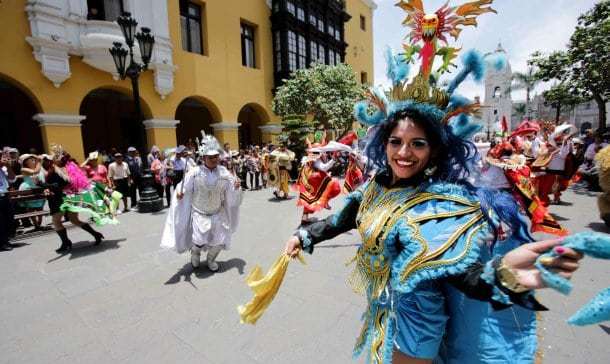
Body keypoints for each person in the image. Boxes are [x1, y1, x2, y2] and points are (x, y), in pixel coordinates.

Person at [283, 20, 583, 361]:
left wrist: (503, 275)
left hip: (415, 323)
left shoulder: (439, 204)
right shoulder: (374, 188)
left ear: (433, 151)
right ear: (384, 143)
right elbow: (342, 219)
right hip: (380, 310)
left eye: (417, 144)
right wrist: (303, 236)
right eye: (396, 141)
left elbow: (460, 274)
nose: (404, 152)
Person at [161, 135, 242, 271]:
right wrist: (181, 194)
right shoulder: (194, 172)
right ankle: (195, 253)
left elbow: (231, 189)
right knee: (198, 240)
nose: (215, 159)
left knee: (220, 240)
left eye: (216, 156)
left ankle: (211, 259)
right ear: (203, 157)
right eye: (211, 157)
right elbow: (184, 188)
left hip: (218, 213)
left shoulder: (224, 172)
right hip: (200, 213)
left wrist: (236, 186)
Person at [42, 147, 110, 254]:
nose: (52, 158)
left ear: (59, 158)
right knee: (74, 219)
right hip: (67, 197)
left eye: (54, 156)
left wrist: (47, 181)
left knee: (56, 221)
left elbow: (62, 182)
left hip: (60, 198)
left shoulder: (58, 168)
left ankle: (66, 243)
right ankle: (95, 234)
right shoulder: (67, 167)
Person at [17, 154, 46, 230]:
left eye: (32, 159)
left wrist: (37, 159)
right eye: (30, 159)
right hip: (29, 189)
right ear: (25, 162)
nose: (32, 160)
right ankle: (36, 225)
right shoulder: (23, 169)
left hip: (38, 188)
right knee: (30, 208)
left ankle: (39, 223)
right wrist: (39, 161)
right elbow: (35, 172)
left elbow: (42, 172)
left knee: (40, 207)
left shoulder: (38, 166)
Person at [0, 151, 17, 251]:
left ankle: (6, 240)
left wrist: (8, 166)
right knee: (0, 221)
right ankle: (2, 243)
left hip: (5, 195)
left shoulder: (3, 167)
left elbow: (12, 179)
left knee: (9, 219)